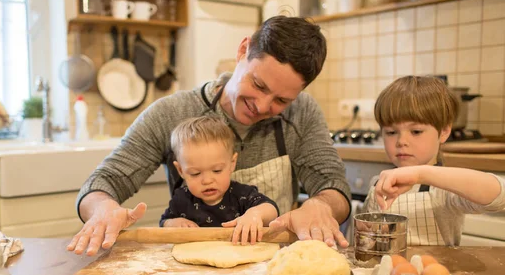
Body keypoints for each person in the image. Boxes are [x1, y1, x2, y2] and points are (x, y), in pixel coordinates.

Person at [68, 15, 352, 256]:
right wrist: (103, 207)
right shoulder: (172, 113)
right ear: (243, 50)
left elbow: (334, 186)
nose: (263, 107)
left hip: (273, 265)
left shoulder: (302, 113)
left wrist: (321, 205)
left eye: (281, 101)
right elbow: (105, 181)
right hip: (195, 270)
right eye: (259, 85)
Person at [362, 76, 505, 246]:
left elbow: (500, 196)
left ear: (444, 131)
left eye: (415, 131)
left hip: (435, 270)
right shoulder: (378, 184)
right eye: (391, 132)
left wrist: (421, 174)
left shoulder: (443, 190)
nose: (401, 141)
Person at [161, 115, 279, 245]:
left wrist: (255, 214)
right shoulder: (181, 199)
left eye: (217, 170)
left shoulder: (242, 195)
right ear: (181, 171)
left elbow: (271, 209)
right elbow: (164, 221)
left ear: (232, 163)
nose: (207, 180)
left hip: (238, 257)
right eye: (195, 173)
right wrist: (173, 223)